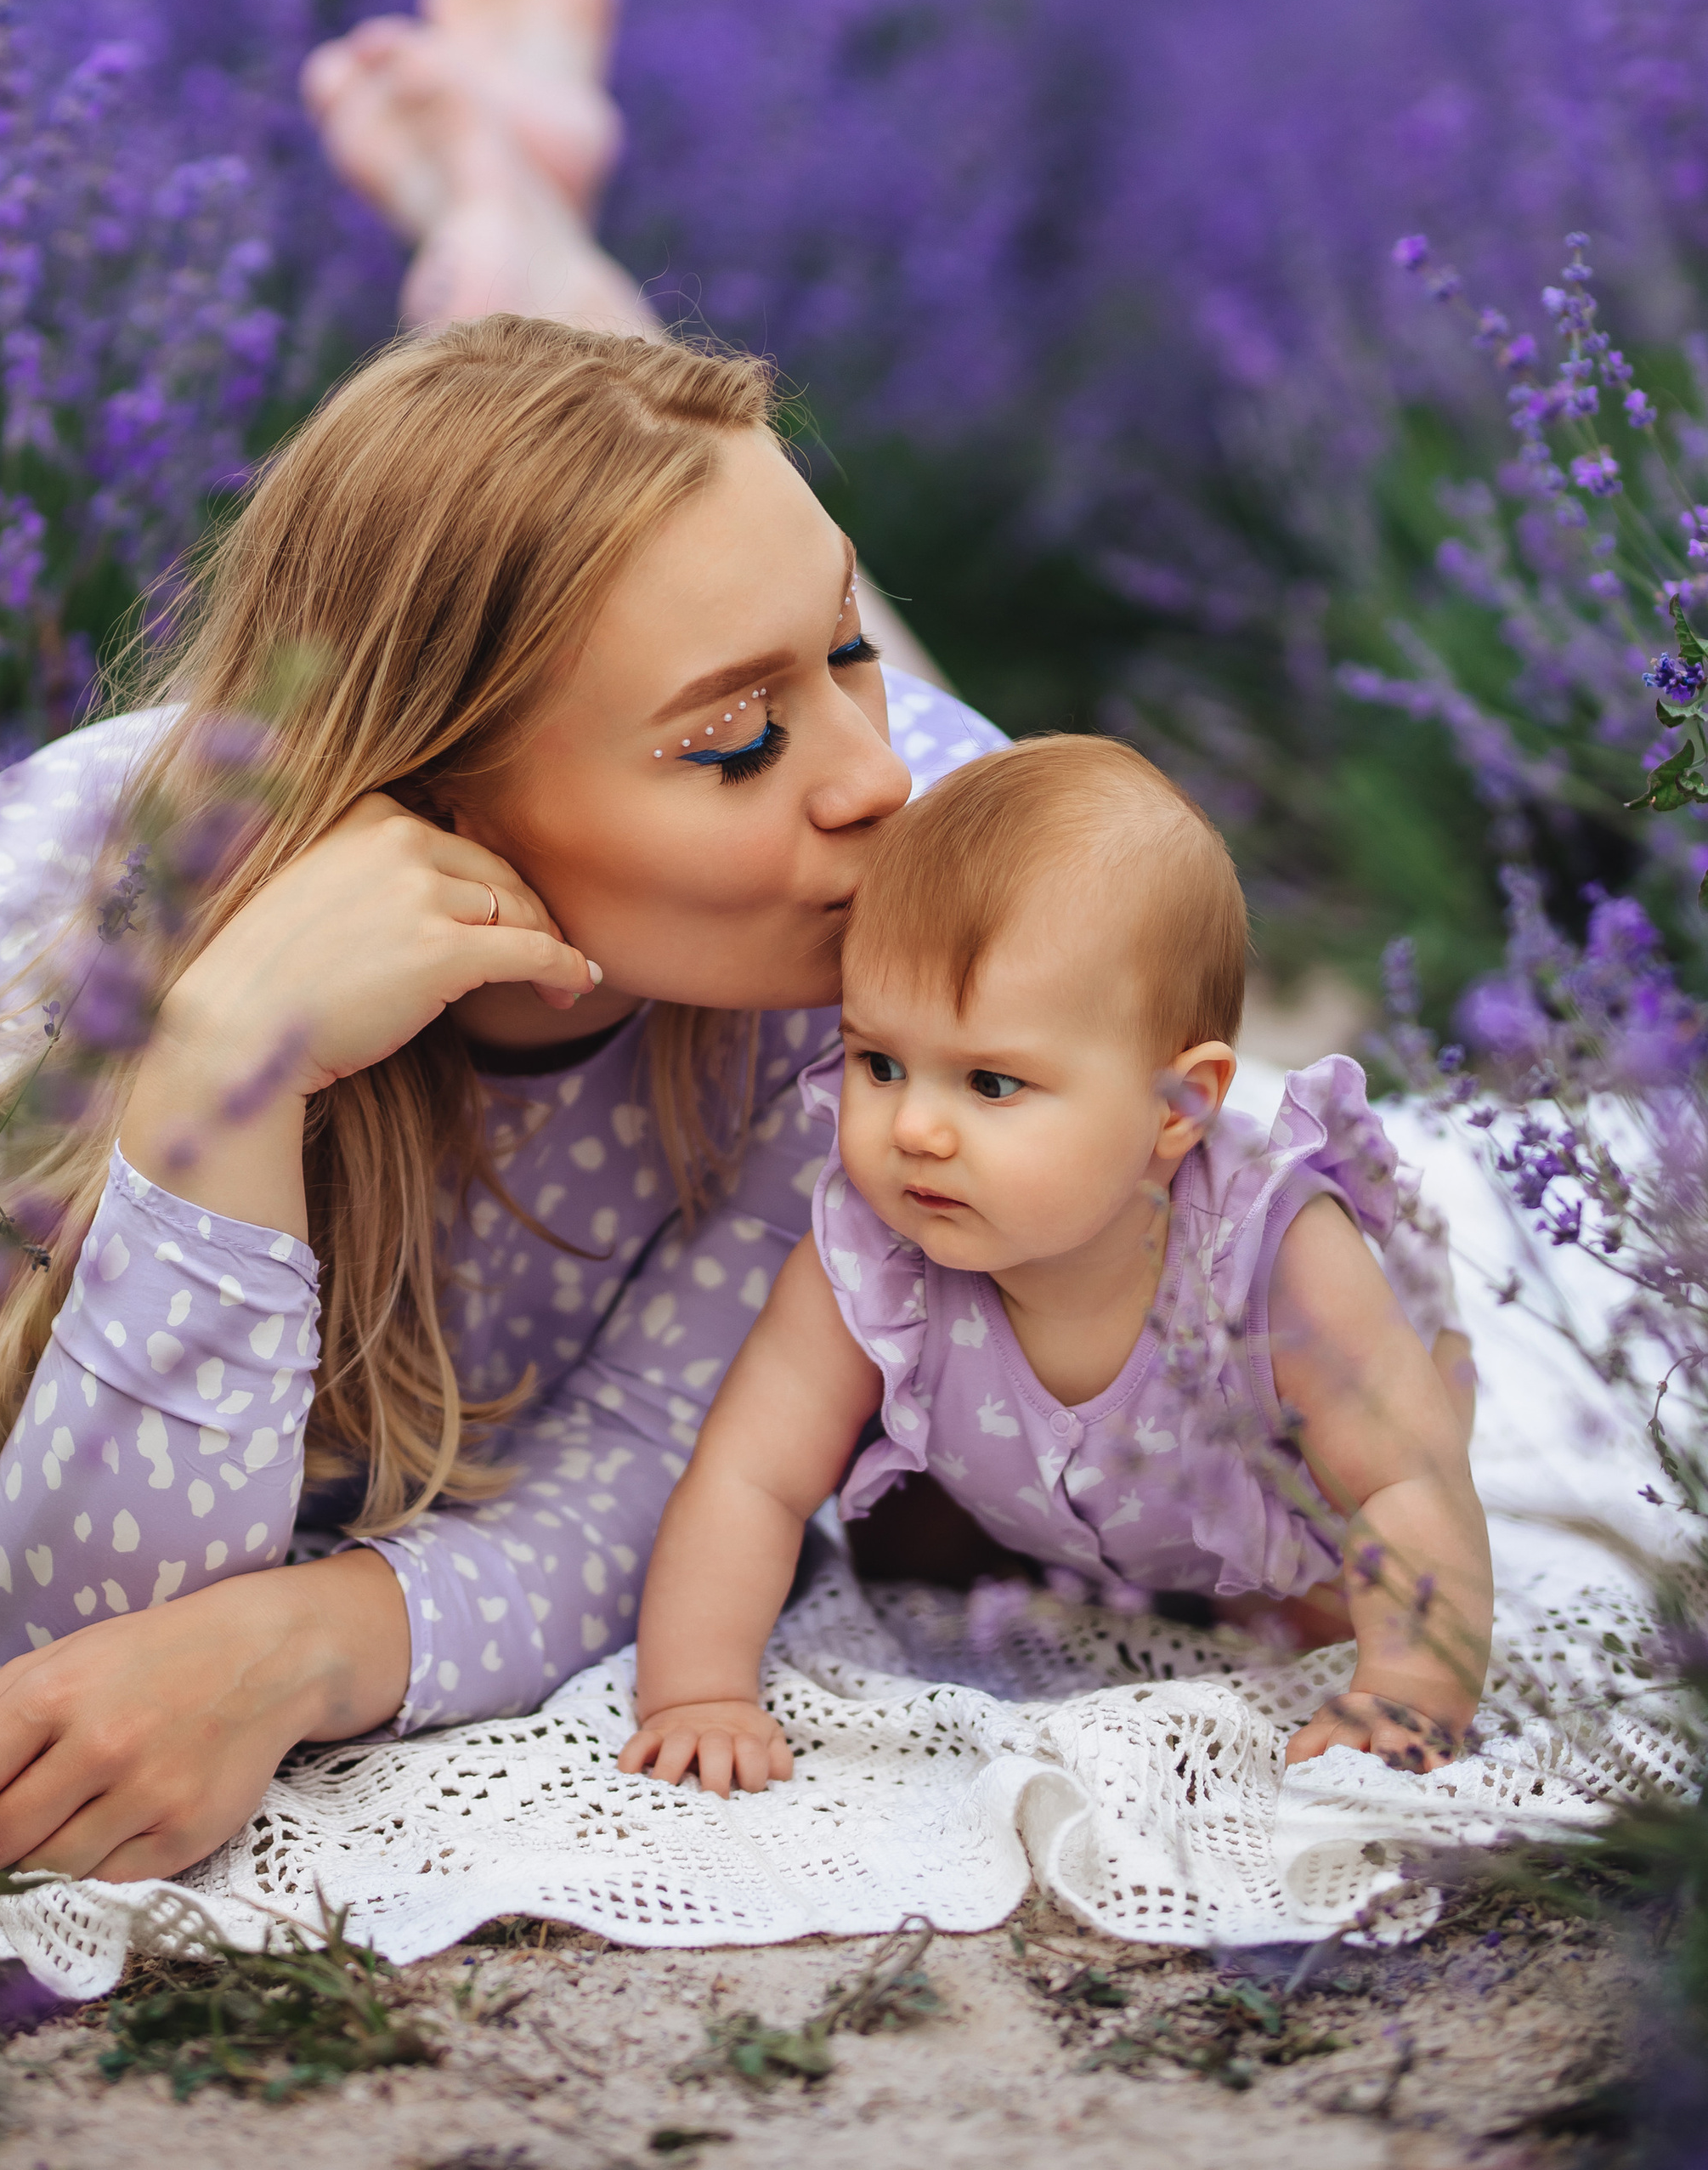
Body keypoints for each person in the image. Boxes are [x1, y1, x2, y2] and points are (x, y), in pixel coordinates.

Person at [0, 0, 993, 1886]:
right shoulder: (39, 906)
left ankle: (516, 220)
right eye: (735, 735)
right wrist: (218, 1078)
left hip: (947, 922)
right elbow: (34, 1631)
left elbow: (649, 1488)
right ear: (428, 793)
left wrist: (300, 1644)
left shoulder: (878, 928)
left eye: (842, 663)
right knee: (595, 544)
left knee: (999, 832)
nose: (867, 779)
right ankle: (507, 204)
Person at [620, 735, 1492, 1799]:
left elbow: (1405, 1482)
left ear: (1180, 1105)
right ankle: (1053, 1546)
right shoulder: (874, 1249)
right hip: (1040, 1494)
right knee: (896, 1543)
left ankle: (1285, 1605)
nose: (915, 1130)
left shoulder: (1276, 1258)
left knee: (1309, 1617)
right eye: (879, 1063)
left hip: (1296, 1496)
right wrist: (699, 1694)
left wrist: (1408, 1691)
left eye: (990, 1084)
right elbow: (750, 1477)